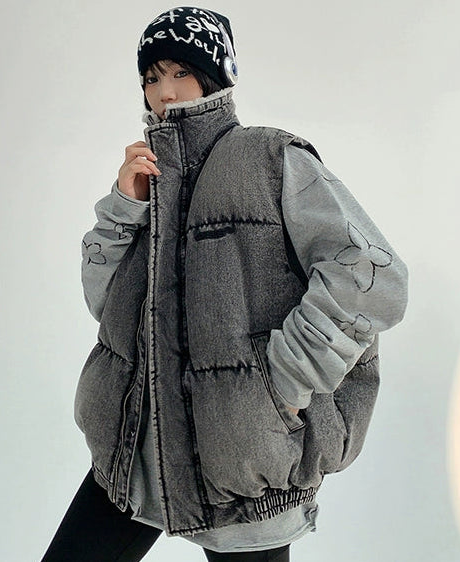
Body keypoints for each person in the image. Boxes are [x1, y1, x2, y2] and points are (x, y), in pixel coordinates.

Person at [42, 7, 408, 562]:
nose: (164, 92)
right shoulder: (149, 176)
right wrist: (124, 207)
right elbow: (104, 303)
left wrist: (279, 384)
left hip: (243, 467)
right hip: (133, 453)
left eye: (180, 72)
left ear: (216, 75)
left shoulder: (270, 157)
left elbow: (371, 274)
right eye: (151, 77)